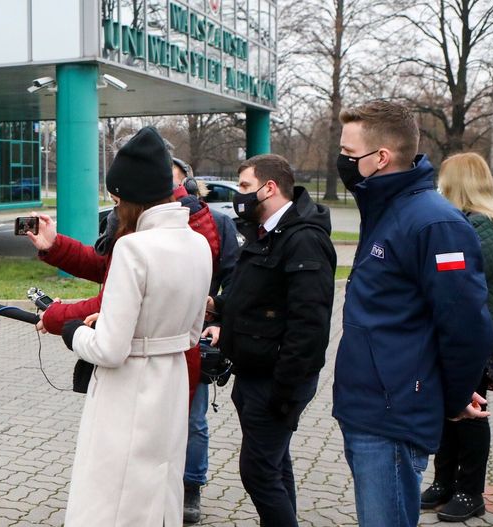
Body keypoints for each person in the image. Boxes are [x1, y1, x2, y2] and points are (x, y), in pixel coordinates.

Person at [332, 101, 493, 527]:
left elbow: (466, 326)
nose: (343, 162)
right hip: (366, 406)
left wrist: (456, 395)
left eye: (350, 154)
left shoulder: (433, 223)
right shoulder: (385, 210)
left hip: (394, 414)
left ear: (380, 158)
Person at [48, 126, 212, 526]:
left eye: (116, 196)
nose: (114, 204)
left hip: (128, 391)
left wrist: (74, 332)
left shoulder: (133, 247)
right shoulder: (197, 243)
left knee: (111, 500)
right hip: (171, 385)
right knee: (157, 493)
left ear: (128, 196)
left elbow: (109, 349)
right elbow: (190, 330)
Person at [201, 154, 336, 526]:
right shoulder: (264, 233)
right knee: (275, 467)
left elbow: (310, 325)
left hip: (275, 380)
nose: (240, 195)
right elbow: (257, 298)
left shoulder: (303, 239)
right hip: (254, 375)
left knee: (258, 473)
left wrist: (284, 392)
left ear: (269, 188)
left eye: (244, 186)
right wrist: (218, 308)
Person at [421, 152, 493, 521]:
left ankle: (470, 491)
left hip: (481, 333)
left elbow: (458, 269)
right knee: (450, 408)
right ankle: (444, 482)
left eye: (445, 179)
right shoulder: (463, 223)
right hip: (459, 331)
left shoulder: (487, 226)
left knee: (471, 410)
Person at [170, 157, 241, 524]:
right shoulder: (141, 223)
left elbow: (235, 276)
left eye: (176, 182)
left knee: (194, 418)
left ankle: (190, 487)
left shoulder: (219, 224)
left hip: (197, 335)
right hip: (154, 337)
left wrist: (220, 315)